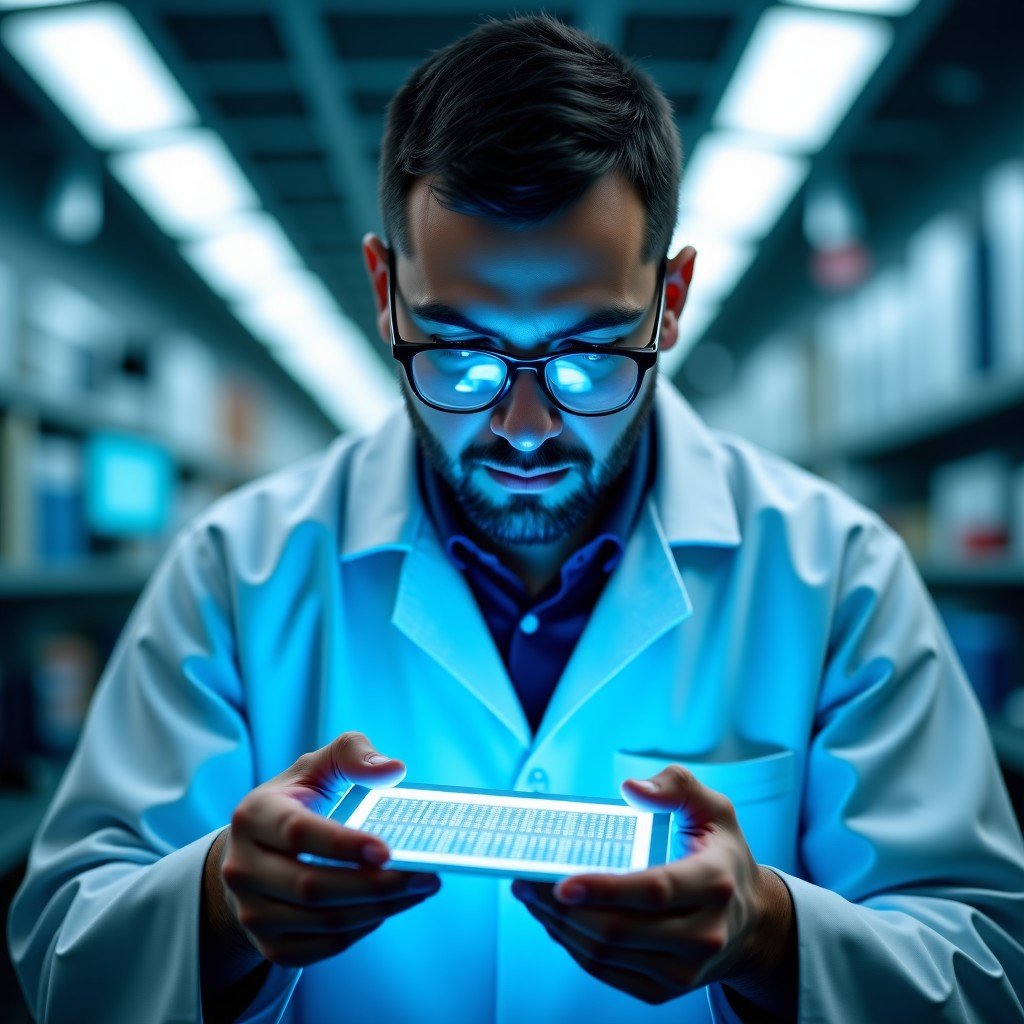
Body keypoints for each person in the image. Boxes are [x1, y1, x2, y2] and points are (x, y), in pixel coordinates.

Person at [9, 13, 1024, 1024]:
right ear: (386, 294)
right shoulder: (235, 569)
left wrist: (768, 932)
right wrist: (217, 904)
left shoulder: (836, 572)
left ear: (668, 302)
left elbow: (987, 964)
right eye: (459, 355)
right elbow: (62, 951)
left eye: (588, 355)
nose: (526, 428)